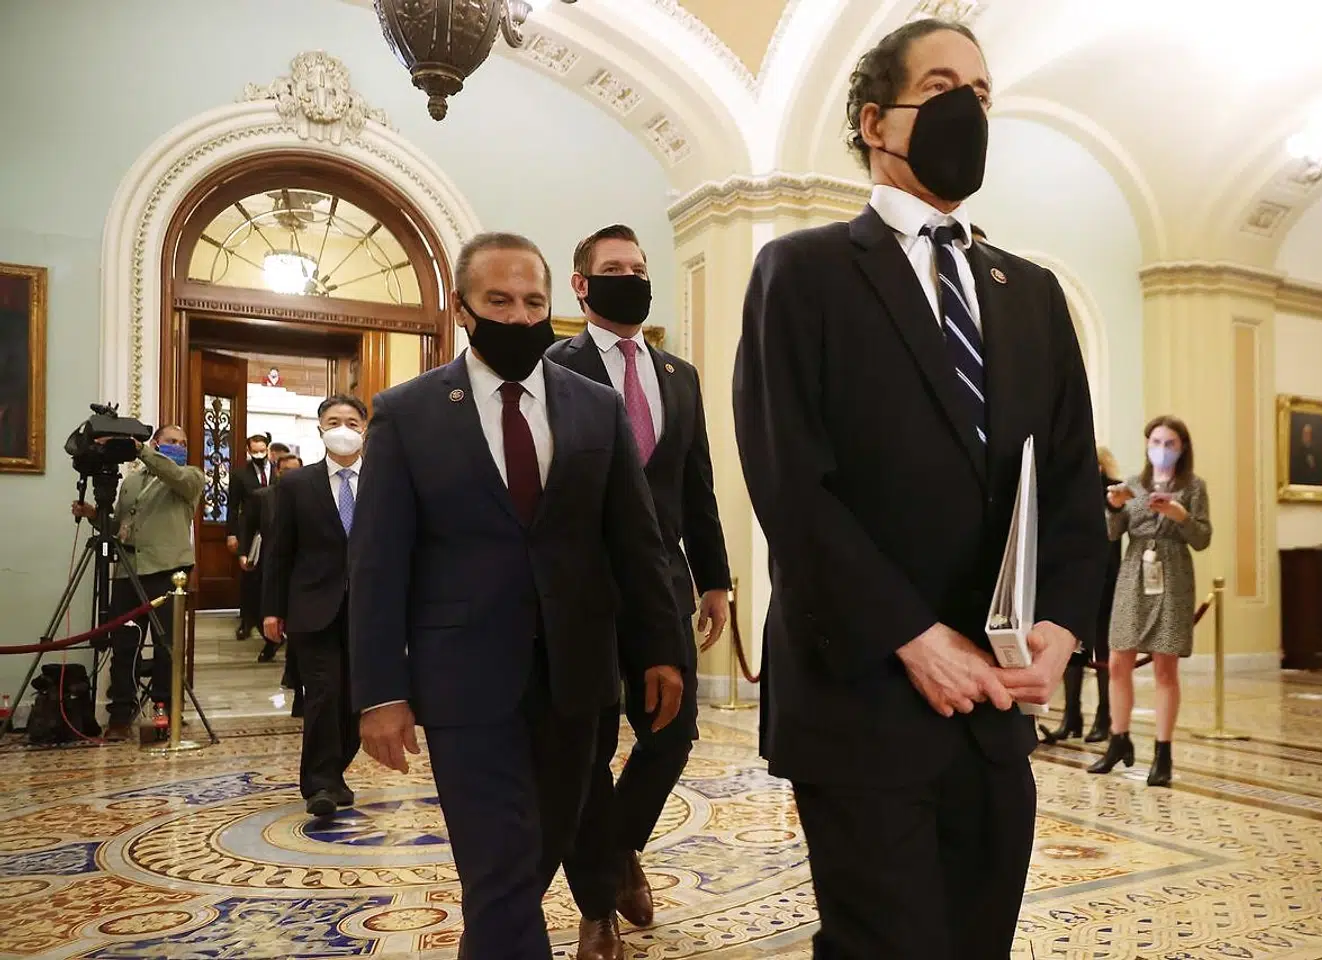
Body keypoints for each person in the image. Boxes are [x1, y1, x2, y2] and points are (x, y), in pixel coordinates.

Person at [732, 19, 1107, 959]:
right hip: (861, 690)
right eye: (943, 88)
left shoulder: (1032, 293)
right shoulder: (803, 271)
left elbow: (1068, 482)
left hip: (996, 707)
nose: (969, 112)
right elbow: (791, 487)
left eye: (982, 96)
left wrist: (1060, 624)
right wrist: (912, 636)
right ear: (874, 121)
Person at [348, 232, 687, 960]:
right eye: (498, 300)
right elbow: (377, 565)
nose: (518, 314)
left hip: (577, 677)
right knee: (500, 865)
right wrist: (379, 691)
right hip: (465, 682)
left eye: (534, 301)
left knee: (534, 856)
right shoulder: (408, 414)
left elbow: (635, 542)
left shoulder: (595, 409)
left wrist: (660, 649)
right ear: (463, 308)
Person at [549, 224, 731, 959]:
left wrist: (714, 578)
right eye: (614, 268)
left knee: (673, 733)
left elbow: (698, 482)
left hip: (661, 586)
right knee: (585, 748)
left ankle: (617, 851)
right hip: (579, 589)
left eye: (640, 268)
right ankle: (598, 909)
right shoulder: (551, 365)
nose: (631, 277)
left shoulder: (680, 376)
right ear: (582, 285)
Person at [1091, 416, 1211, 787]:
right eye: (1156, 441)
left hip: (1172, 576)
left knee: (1164, 667)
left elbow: (1203, 538)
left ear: (1182, 448)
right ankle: (1118, 739)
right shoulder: (1133, 484)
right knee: (1117, 661)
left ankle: (1163, 752)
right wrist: (1112, 505)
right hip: (1133, 574)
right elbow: (1112, 534)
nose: (1161, 448)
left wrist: (1182, 516)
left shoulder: (1193, 486)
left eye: (1170, 442)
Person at [262, 397, 367, 818]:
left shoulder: (386, 480)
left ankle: (336, 771)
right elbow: (278, 551)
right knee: (323, 693)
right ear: (320, 429)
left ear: (365, 428)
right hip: (312, 606)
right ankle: (320, 784)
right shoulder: (296, 485)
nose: (342, 428)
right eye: (333, 421)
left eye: (351, 421)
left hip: (368, 609)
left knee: (356, 699)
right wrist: (272, 609)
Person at [72, 426, 204, 741]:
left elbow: (175, 476)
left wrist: (141, 449)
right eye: (172, 441)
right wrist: (93, 514)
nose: (179, 446)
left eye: (183, 443)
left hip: (167, 572)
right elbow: (122, 527)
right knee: (124, 646)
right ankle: (120, 715)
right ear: (158, 442)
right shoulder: (130, 483)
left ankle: (165, 710)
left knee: (166, 648)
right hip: (129, 572)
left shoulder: (190, 477)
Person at [1041, 445, 1123, 744]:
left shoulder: (1114, 493)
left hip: (1108, 580)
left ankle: (1105, 716)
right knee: (1073, 650)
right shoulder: (1071, 493)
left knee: (1104, 651)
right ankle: (1071, 717)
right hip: (1078, 582)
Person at [253, 452, 302, 665]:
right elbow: (249, 524)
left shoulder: (310, 494)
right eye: (287, 471)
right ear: (278, 471)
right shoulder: (265, 496)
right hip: (272, 558)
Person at [227, 432, 272, 641]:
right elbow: (233, 506)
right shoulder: (240, 474)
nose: (259, 454)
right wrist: (232, 534)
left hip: (274, 530)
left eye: (262, 450)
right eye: (255, 451)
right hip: (250, 531)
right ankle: (247, 620)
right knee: (249, 575)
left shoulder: (278, 471)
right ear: (248, 450)